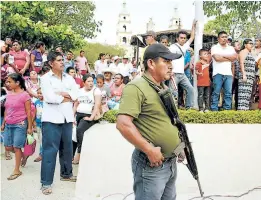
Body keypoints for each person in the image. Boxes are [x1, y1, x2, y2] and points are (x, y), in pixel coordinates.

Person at [116, 43, 183, 200]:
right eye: (166, 61)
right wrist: (149, 149)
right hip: (151, 165)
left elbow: (170, 122)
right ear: (151, 63)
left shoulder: (162, 88)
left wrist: (180, 146)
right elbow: (123, 124)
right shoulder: (136, 87)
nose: (170, 66)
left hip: (170, 162)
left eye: (171, 62)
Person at [40, 51, 78, 195]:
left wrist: (62, 95)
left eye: (63, 60)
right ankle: (46, 182)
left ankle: (66, 174)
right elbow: (50, 98)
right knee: (50, 151)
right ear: (51, 63)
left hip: (67, 118)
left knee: (67, 148)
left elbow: (76, 94)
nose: (62, 62)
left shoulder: (69, 78)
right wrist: (66, 96)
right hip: (51, 119)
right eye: (59, 60)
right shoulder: (45, 78)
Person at [1, 73, 32, 180]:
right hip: (9, 124)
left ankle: (17, 170)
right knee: (8, 147)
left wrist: (30, 127)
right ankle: (23, 156)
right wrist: (3, 123)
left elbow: (29, 112)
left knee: (16, 147)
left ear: (18, 83)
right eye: (7, 81)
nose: (7, 83)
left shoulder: (25, 95)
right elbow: (6, 110)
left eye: (10, 82)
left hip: (20, 124)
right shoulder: (8, 94)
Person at [73, 74, 102, 164]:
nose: (91, 83)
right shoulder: (80, 91)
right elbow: (76, 104)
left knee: (80, 130)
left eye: (92, 81)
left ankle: (80, 153)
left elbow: (97, 105)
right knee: (73, 135)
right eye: (88, 81)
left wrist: (91, 118)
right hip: (79, 114)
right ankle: (72, 155)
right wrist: (72, 116)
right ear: (84, 82)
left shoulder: (96, 91)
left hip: (89, 115)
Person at [169, 20, 197, 109]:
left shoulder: (185, 46)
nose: (183, 39)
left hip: (182, 74)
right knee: (174, 92)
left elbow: (192, 37)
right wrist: (170, 71)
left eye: (184, 38)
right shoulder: (172, 47)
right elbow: (168, 60)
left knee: (191, 89)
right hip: (174, 74)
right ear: (177, 38)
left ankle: (189, 108)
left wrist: (193, 26)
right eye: (181, 38)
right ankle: (173, 110)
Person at [210, 31, 238, 111]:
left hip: (228, 74)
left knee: (228, 94)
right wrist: (229, 58)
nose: (224, 38)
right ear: (218, 39)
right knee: (216, 93)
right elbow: (217, 59)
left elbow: (234, 58)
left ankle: (227, 111)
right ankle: (214, 111)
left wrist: (222, 55)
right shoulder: (214, 47)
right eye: (222, 37)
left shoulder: (231, 48)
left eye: (226, 37)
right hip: (217, 73)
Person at [238, 39, 256, 110]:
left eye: (252, 43)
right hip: (245, 75)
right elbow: (241, 63)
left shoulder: (250, 52)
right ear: (245, 45)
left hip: (250, 76)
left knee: (247, 95)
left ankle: (245, 109)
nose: (252, 45)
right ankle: (242, 110)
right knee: (243, 94)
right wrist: (244, 74)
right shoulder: (243, 52)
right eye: (250, 43)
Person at [33, 88, 44, 162]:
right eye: (38, 93)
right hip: (38, 123)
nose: (39, 95)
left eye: (41, 93)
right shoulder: (36, 102)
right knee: (40, 139)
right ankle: (41, 153)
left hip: (45, 124)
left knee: (43, 139)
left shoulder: (47, 102)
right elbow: (34, 113)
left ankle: (41, 154)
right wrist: (33, 124)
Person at [231, 41, 241, 110]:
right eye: (237, 45)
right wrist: (232, 76)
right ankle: (228, 106)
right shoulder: (231, 55)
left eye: (239, 45)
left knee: (238, 92)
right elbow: (232, 66)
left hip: (239, 77)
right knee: (230, 91)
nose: (239, 46)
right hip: (232, 76)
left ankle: (237, 106)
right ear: (233, 47)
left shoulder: (241, 54)